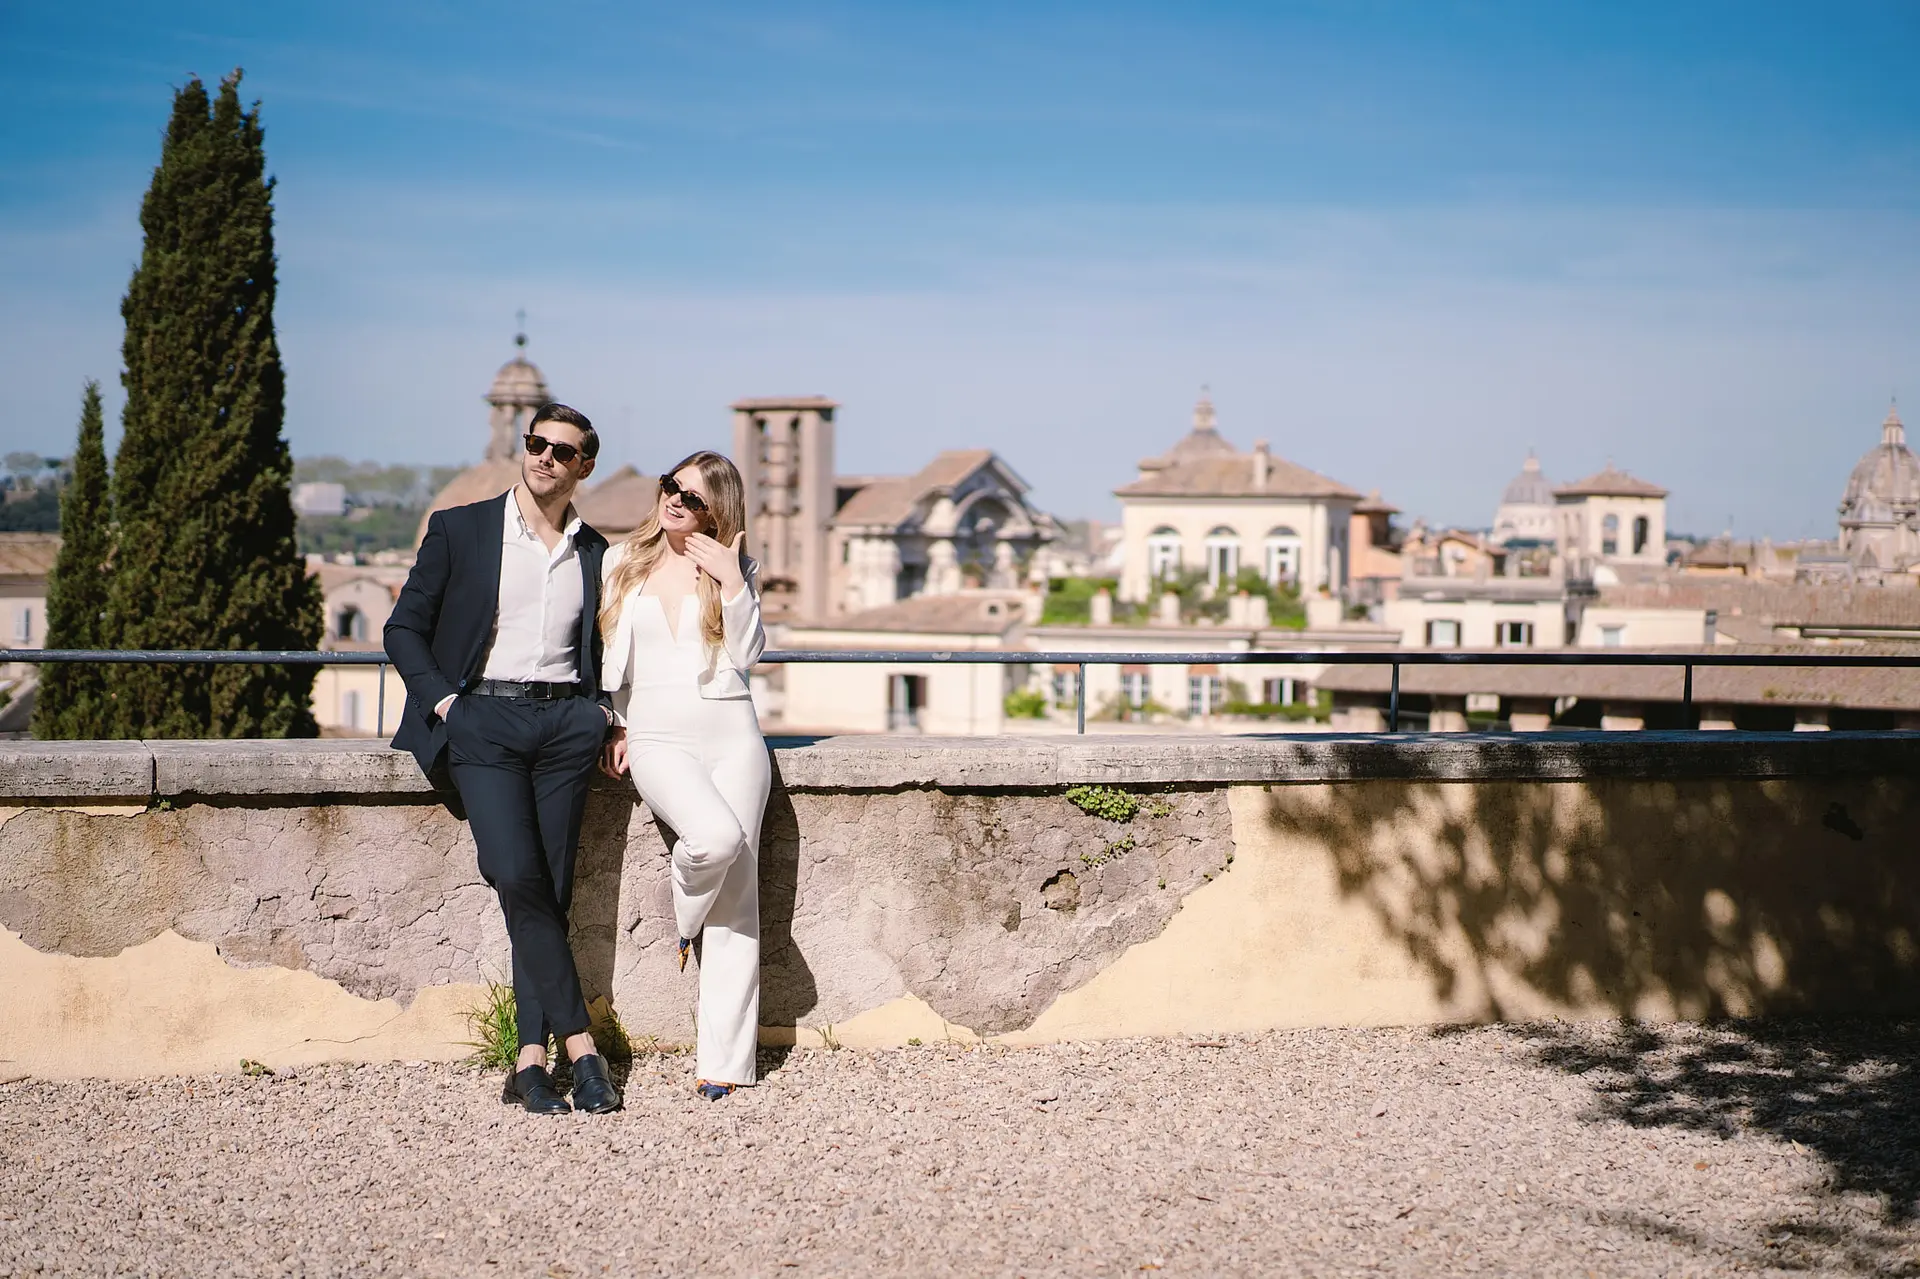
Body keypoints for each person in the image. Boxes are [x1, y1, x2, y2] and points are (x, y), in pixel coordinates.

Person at [384, 402, 624, 1116]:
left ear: (584, 466)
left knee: (545, 888)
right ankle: (581, 1046)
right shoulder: (462, 528)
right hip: (482, 718)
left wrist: (606, 718)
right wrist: (449, 707)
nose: (545, 456)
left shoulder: (596, 552)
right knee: (515, 871)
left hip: (565, 728)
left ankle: (528, 1059)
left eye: (562, 450)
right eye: (536, 443)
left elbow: (611, 649)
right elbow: (403, 630)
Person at [598, 450, 768, 1101]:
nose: (675, 500)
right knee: (714, 841)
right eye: (672, 487)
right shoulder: (623, 561)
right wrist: (614, 721)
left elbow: (749, 654)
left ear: (716, 510)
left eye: (694, 498)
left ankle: (724, 1061)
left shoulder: (734, 567)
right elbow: (609, 657)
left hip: (733, 737)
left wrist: (731, 578)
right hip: (657, 736)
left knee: (740, 902)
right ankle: (686, 916)